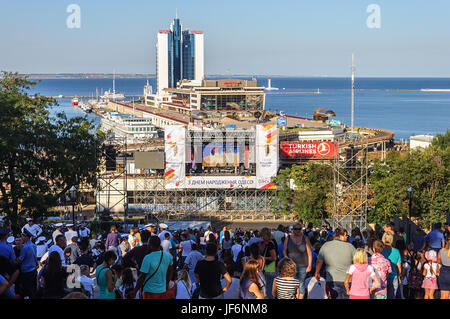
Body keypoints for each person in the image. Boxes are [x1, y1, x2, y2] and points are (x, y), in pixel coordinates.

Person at [315, 227, 356, 299]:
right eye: (346, 236)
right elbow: (357, 262)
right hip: (348, 279)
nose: (347, 237)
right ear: (342, 235)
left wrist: (317, 272)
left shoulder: (326, 245)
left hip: (332, 279)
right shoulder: (350, 247)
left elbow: (319, 261)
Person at [283, 222, 312, 299]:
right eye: (296, 229)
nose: (297, 231)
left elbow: (309, 253)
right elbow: (284, 250)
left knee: (301, 283)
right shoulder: (288, 238)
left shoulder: (305, 238)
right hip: (291, 266)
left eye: (299, 229)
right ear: (293, 230)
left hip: (303, 266)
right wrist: (286, 257)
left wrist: (309, 265)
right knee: (293, 283)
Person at [17, 229, 38, 299]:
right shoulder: (33, 245)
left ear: (26, 237)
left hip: (26, 271)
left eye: (22, 236)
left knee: (26, 290)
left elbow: (20, 260)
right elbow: (35, 257)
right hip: (33, 270)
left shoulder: (24, 247)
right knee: (32, 289)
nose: (21, 238)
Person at [381, 232, 402, 299]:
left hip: (383, 277)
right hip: (394, 277)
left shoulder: (381, 251)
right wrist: (399, 277)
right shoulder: (396, 251)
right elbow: (399, 267)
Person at [260, 227, 278, 299]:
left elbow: (274, 258)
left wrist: (263, 258)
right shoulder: (269, 242)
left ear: (267, 235)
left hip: (270, 266)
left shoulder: (270, 244)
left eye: (263, 236)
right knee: (270, 286)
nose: (262, 237)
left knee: (268, 286)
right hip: (270, 266)